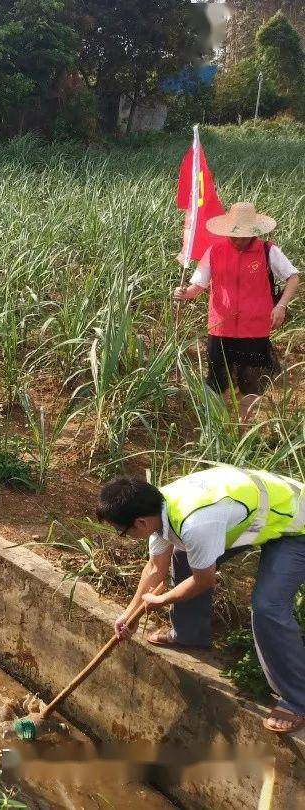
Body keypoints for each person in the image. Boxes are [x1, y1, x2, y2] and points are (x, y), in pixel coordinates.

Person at [97, 467, 305, 735]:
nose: (123, 537)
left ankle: (297, 700)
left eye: (121, 532)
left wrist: (161, 600)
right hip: (257, 512)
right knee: (184, 555)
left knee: (268, 607)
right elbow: (154, 569)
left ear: (139, 523)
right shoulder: (160, 508)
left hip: (296, 525)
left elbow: (204, 580)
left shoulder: (195, 523)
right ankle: (189, 633)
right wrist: (129, 614)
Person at [174, 202, 299, 417]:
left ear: (252, 232)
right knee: (217, 380)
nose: (238, 240)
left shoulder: (267, 250)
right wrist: (184, 293)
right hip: (221, 327)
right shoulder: (215, 251)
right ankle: (217, 429)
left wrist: (281, 306)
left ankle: (243, 426)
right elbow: (198, 286)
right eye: (234, 235)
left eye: (243, 236)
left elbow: (293, 277)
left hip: (254, 329)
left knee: (250, 382)